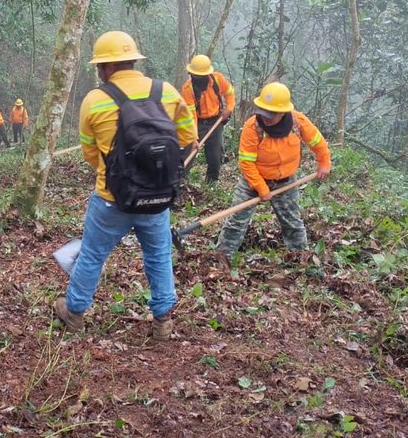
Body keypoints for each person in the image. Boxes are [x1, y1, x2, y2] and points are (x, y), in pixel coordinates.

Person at [53, 31, 198, 341]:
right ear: (133, 60)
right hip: (157, 197)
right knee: (158, 256)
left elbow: (91, 155)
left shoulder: (94, 101)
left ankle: (74, 313)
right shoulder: (168, 92)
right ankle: (162, 320)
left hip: (112, 198)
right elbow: (188, 139)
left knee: (92, 254)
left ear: (105, 67)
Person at [216, 82, 331, 260]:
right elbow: (246, 163)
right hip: (253, 180)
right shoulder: (252, 127)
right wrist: (262, 188)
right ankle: (221, 259)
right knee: (236, 221)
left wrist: (324, 162)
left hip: (285, 181)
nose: (266, 118)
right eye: (263, 112)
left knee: (292, 223)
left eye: (271, 114)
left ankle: (301, 258)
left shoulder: (298, 122)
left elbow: (318, 142)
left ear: (282, 112)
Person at [180, 54, 236, 184]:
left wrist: (229, 109)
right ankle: (181, 181)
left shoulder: (218, 79)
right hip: (197, 123)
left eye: (200, 76)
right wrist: (194, 137)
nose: (197, 78)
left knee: (215, 156)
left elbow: (230, 93)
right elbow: (191, 115)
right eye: (195, 75)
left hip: (216, 121)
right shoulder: (188, 89)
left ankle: (211, 184)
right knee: (189, 152)